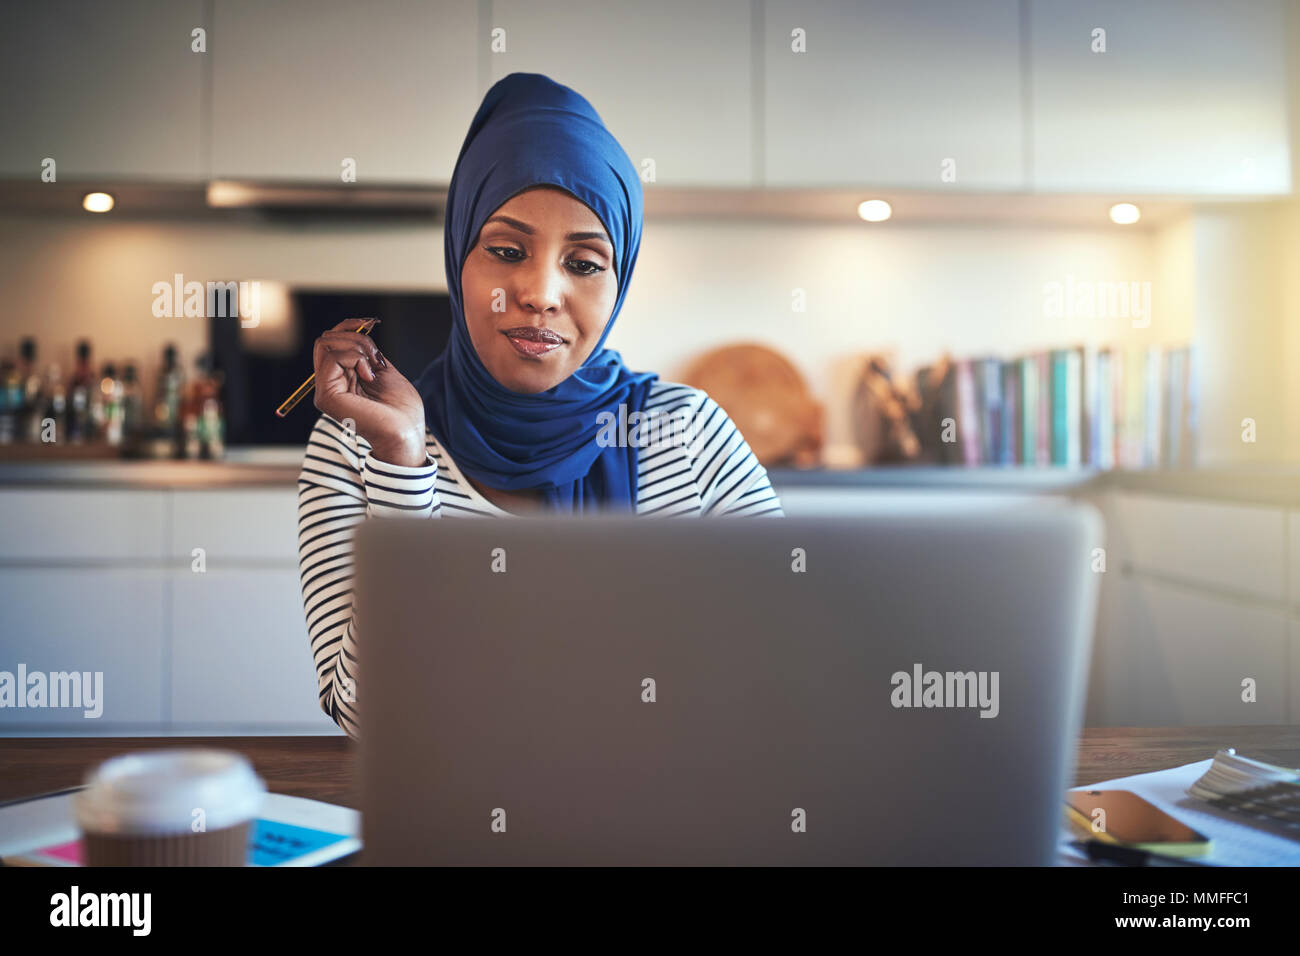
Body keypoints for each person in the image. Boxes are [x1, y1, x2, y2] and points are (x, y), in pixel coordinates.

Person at [297, 73, 783, 738]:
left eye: (583, 263)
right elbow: (368, 720)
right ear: (458, 255)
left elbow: (787, 672)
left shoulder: (685, 432)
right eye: (505, 251)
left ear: (620, 280)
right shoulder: (358, 443)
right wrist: (403, 466)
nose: (539, 292)